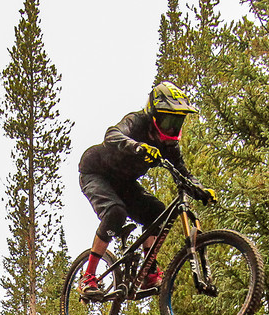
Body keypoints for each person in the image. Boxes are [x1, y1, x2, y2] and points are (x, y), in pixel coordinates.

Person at [76, 81, 214, 299]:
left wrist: (200, 188)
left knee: (158, 212)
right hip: (96, 173)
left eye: (177, 122)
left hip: (124, 183)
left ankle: (149, 272)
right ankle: (88, 277)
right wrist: (137, 146)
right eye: (168, 120)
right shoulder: (137, 122)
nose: (172, 128)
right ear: (154, 114)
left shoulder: (169, 146)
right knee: (115, 212)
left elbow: (183, 173)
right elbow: (112, 135)